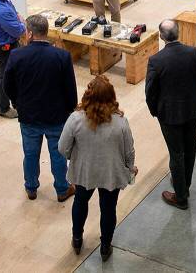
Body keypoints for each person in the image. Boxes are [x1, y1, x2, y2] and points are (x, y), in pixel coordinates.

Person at [59, 75, 137, 262]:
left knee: (80, 202)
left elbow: (62, 147)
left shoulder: (75, 119)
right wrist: (130, 169)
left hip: (84, 172)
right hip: (111, 173)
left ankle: (77, 239)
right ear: (111, 96)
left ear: (88, 94)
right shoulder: (120, 122)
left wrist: (74, 157)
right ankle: (105, 246)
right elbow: (129, 150)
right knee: (108, 209)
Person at [3, 14, 78, 202]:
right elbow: (70, 88)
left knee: (30, 154)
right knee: (58, 155)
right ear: (47, 32)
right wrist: (69, 109)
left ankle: (31, 188)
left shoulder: (16, 55)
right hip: (56, 116)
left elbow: (8, 85)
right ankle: (62, 189)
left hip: (28, 116)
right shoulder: (62, 56)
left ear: (29, 33)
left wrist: (17, 104)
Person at [145, 19, 196, 210]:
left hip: (169, 115)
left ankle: (180, 197)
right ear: (178, 33)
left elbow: (150, 92)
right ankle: (184, 185)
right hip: (191, 111)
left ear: (161, 36)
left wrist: (155, 111)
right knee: (190, 150)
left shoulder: (156, 60)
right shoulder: (193, 53)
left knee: (176, 154)